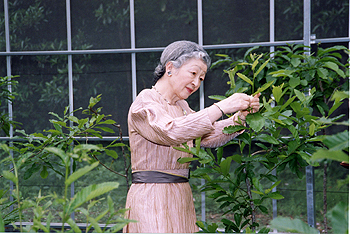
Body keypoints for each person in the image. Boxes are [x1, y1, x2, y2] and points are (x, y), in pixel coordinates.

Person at [123, 40, 260, 233]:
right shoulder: (146, 101)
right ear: (170, 68)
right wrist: (221, 107)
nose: (196, 83)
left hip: (180, 195)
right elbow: (171, 132)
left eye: (202, 78)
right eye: (193, 73)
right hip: (151, 195)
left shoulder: (181, 106)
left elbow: (207, 134)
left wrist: (240, 118)